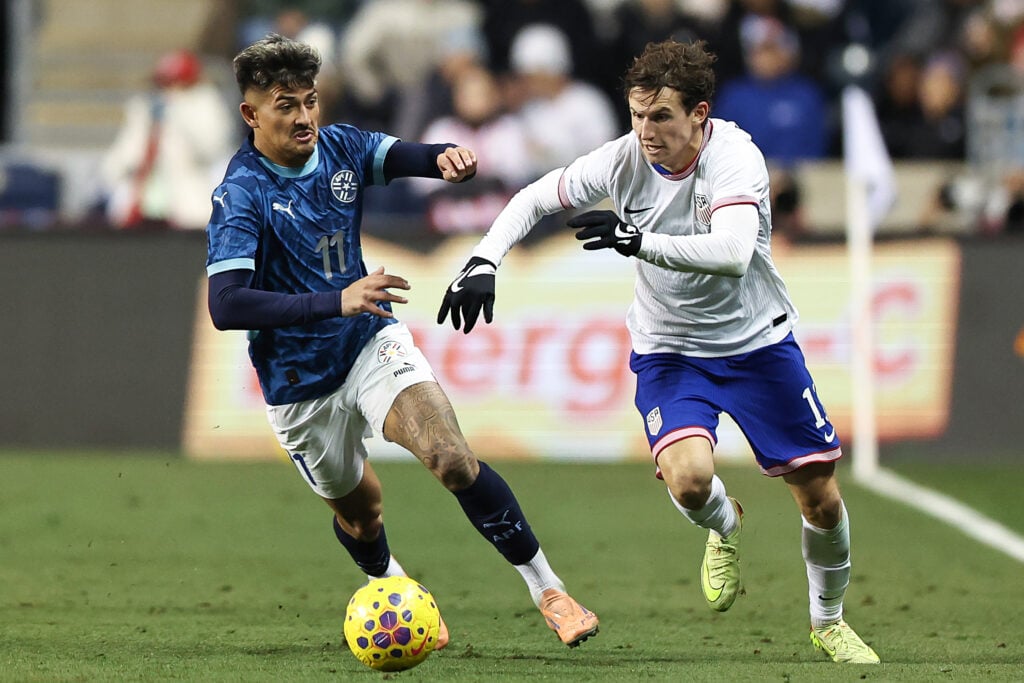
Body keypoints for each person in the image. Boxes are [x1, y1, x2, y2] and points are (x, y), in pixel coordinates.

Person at [437, 39, 879, 664]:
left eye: (661, 117)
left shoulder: (736, 159)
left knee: (820, 498)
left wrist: (637, 241)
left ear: (699, 113)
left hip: (757, 344)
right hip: (669, 349)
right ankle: (726, 527)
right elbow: (535, 197)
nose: (645, 130)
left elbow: (730, 254)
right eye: (638, 115)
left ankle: (827, 621)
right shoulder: (622, 159)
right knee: (692, 479)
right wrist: (483, 259)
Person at [204, 34, 599, 649]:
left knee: (450, 457)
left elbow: (407, 155)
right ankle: (395, 583)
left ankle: (549, 590)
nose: (305, 117)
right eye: (286, 105)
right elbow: (226, 305)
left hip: (368, 344)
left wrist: (444, 157)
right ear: (251, 114)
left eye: (310, 101)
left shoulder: (339, 147)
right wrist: (334, 299)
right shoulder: (241, 195)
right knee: (360, 513)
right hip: (297, 386)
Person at [101, 49, 235, 229]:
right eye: (162, 84)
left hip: (187, 208)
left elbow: (212, 149)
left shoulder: (205, 104)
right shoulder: (144, 109)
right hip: (140, 205)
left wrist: (179, 111)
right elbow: (121, 157)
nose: (167, 90)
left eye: (173, 83)